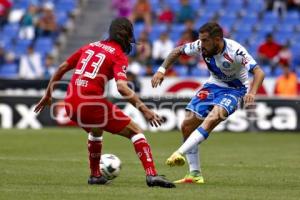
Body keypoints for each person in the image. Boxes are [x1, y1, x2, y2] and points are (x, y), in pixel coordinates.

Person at [34, 18, 175, 188]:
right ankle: (152, 175)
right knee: (136, 131)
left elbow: (62, 67)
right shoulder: (118, 55)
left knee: (96, 129)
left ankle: (95, 175)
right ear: (128, 36)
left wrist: (48, 94)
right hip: (90, 102)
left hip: (70, 102)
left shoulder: (90, 46)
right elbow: (122, 87)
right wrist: (144, 110)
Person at [151, 22, 265, 184]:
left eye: (205, 41)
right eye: (201, 40)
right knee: (187, 125)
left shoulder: (236, 51)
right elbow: (177, 51)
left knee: (212, 118)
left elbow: (259, 72)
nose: (201, 44)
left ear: (217, 39)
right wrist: (161, 70)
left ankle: (178, 153)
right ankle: (195, 174)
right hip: (213, 85)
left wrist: (252, 92)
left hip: (235, 89)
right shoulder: (201, 45)